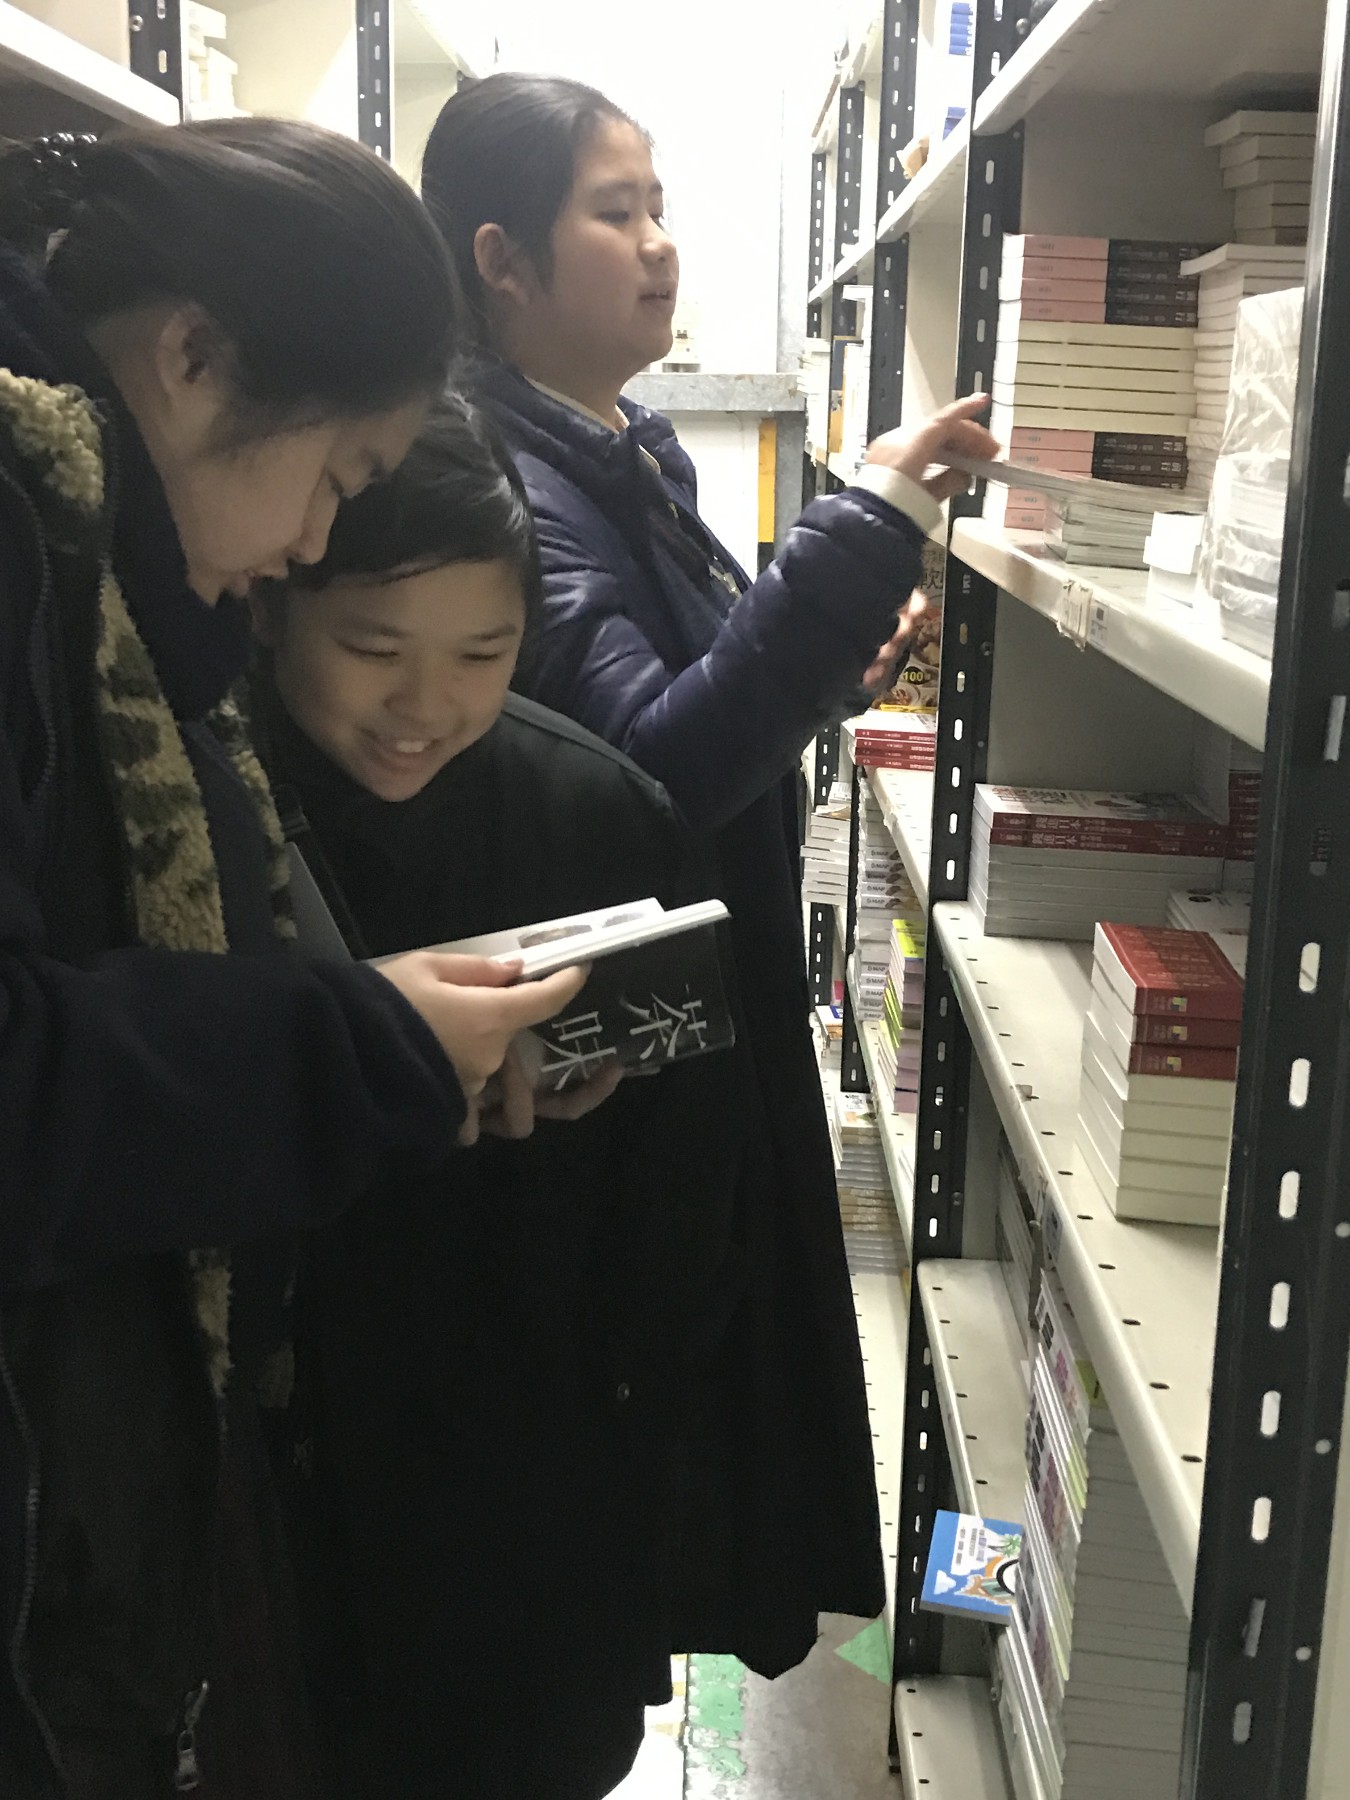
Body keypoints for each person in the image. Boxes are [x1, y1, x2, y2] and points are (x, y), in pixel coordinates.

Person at [0, 122, 585, 1800]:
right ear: (192, 359)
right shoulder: (36, 551)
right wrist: (359, 1041)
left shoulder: (111, 578)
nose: (323, 542)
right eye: (337, 472)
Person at [420, 73, 1000, 1671]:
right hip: (614, 1076)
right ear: (501, 260)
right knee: (631, 1471)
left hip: (685, 1036)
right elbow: (652, 778)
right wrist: (872, 514)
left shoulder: (614, 449)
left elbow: (694, 695)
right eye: (616, 212)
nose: (661, 245)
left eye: (659, 206)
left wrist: (824, 664)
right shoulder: (506, 483)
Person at [249, 392, 749, 1799]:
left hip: (528, 1444)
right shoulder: (209, 806)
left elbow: (690, 1191)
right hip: (287, 1454)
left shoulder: (596, 813)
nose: (426, 707)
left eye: (484, 652)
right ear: (273, 605)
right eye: (372, 649)